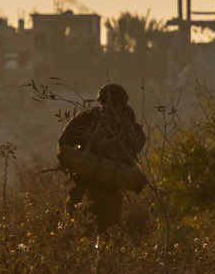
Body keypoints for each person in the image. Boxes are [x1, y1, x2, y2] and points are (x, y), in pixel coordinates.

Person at [57, 83, 147, 231]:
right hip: (112, 191)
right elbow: (135, 150)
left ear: (101, 100)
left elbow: (63, 146)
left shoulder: (88, 118)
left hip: (85, 185)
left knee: (74, 234)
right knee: (108, 238)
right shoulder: (133, 128)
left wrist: (74, 167)